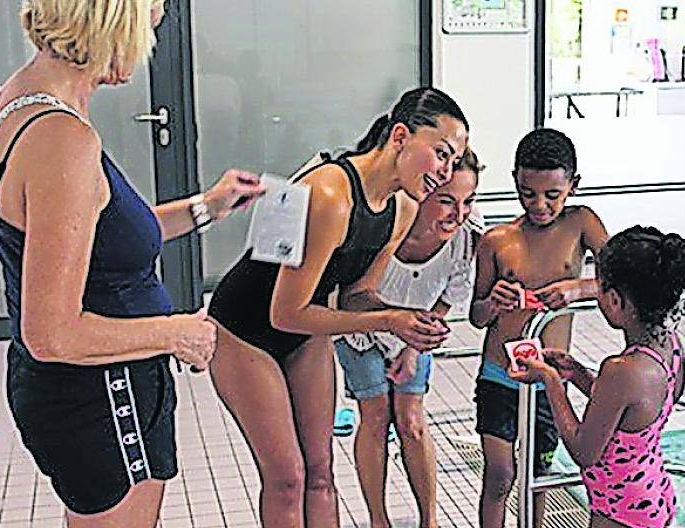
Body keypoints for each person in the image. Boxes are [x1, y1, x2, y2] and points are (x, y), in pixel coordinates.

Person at [0, 1, 265, 526]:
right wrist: (175, 333)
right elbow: (53, 333)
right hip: (102, 393)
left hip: (78, 390)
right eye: (149, 18)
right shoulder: (62, 139)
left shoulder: (17, 101)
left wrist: (207, 206)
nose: (151, 34)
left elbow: (98, 235)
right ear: (111, 21)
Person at [207, 87, 470, 528]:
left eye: (453, 163)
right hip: (243, 330)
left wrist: (403, 319)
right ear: (401, 135)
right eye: (441, 154)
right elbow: (284, 313)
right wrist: (388, 319)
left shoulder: (402, 206)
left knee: (321, 472)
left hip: (305, 328)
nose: (445, 173)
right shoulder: (331, 194)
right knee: (287, 478)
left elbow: (355, 295)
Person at [511, 226, 685, 528]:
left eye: (599, 288)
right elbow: (632, 413)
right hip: (652, 495)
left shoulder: (621, 370)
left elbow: (584, 451)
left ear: (615, 301)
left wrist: (551, 381)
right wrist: (576, 374)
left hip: (619, 510)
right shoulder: (671, 347)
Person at [335, 148, 485, 528]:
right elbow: (352, 298)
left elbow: (450, 295)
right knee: (375, 414)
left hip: (416, 330)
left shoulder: (467, 234)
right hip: (359, 327)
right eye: (447, 201)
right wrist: (392, 327)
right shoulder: (387, 224)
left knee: (412, 420)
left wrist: (414, 347)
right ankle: (378, 520)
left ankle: (429, 521)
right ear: (423, 193)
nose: (459, 213)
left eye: (468, 201)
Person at [469, 128, 608, 528]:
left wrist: (576, 288)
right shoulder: (497, 240)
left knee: (538, 477)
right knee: (499, 475)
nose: (540, 205)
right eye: (529, 193)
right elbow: (477, 317)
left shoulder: (581, 224)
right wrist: (492, 302)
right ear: (515, 180)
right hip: (498, 373)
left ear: (573, 186)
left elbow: (620, 280)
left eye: (553, 195)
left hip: (549, 381)